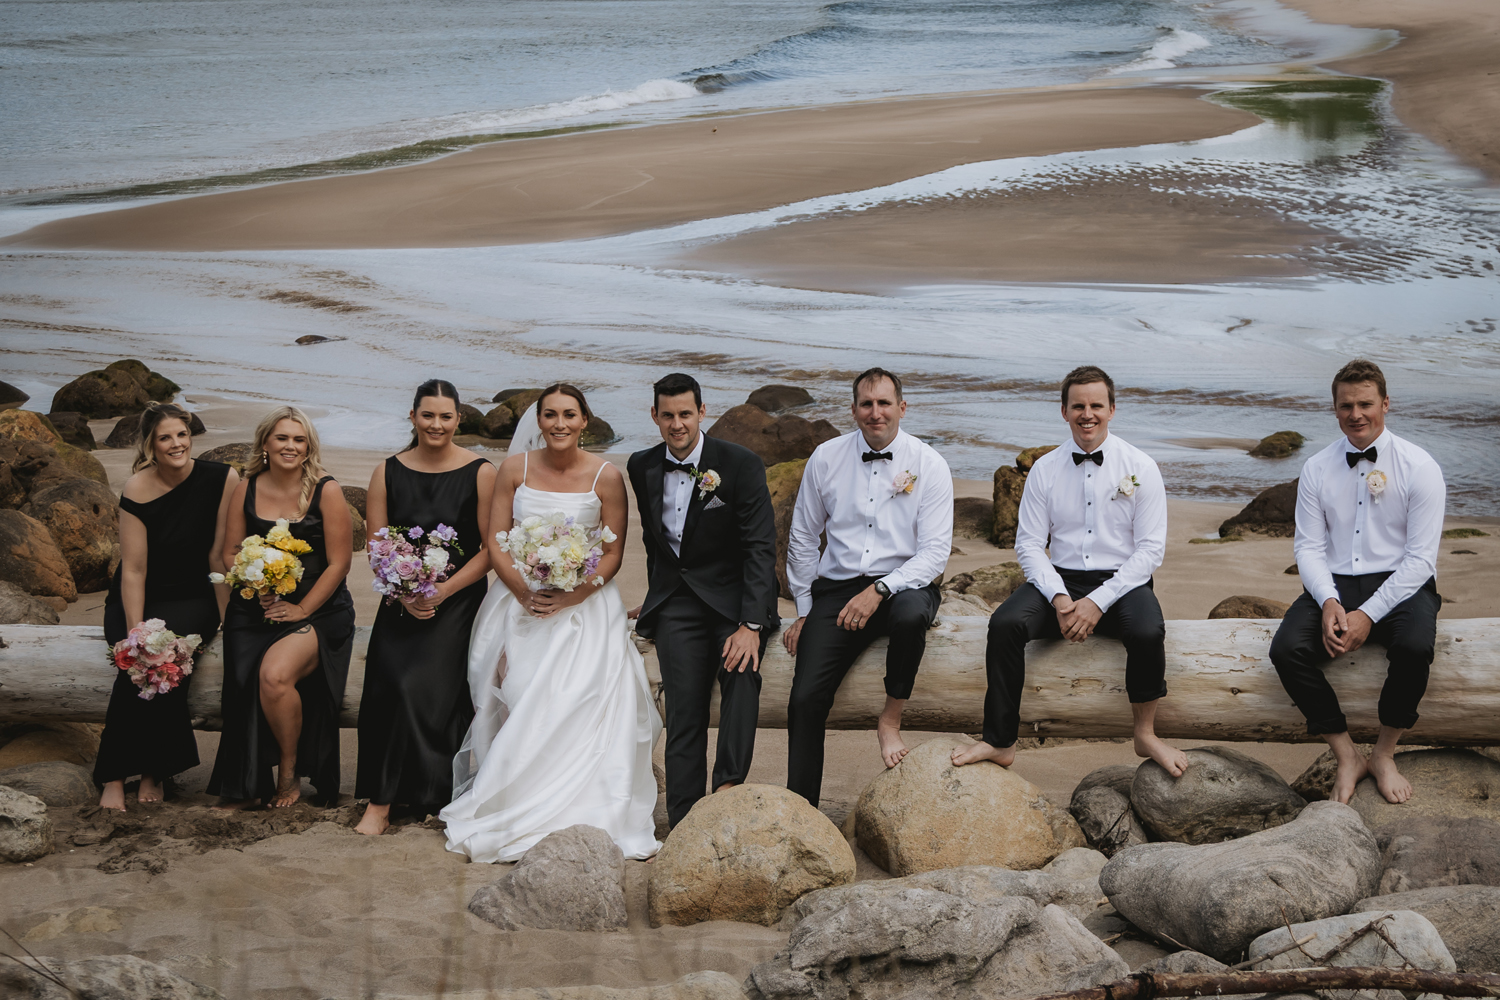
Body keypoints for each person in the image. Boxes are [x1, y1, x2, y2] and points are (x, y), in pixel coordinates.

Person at [440, 384, 661, 862]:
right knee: (516, 689)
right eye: (550, 415)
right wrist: (522, 591)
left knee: (577, 695)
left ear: (585, 421)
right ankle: (513, 799)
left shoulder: (606, 476)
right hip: (518, 600)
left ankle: (581, 803)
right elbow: (496, 540)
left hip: (584, 606)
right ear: (538, 421)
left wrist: (573, 594)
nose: (559, 424)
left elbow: (614, 551)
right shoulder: (513, 469)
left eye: (569, 415)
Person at [953, 365, 1186, 776]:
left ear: (1112, 409)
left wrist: (1096, 603)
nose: (1087, 414)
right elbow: (1028, 544)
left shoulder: (1141, 466)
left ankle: (1145, 733)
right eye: (1078, 406)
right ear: (1064, 411)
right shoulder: (1045, 469)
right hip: (1059, 579)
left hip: (1123, 582)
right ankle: (999, 740)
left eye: (1096, 405)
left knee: (1148, 631)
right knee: (1005, 624)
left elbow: (1149, 551)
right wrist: (1060, 597)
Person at [1270, 359, 1444, 805]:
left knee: (1414, 647)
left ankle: (1385, 752)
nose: (1356, 414)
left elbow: (1421, 560)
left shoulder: (1419, 466)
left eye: (1366, 403)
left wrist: (1367, 615)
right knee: (1286, 650)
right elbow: (1308, 548)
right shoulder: (1316, 468)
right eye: (1346, 405)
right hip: (1336, 581)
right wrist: (1328, 600)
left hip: (1402, 583)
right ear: (1334, 409)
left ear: (1386, 404)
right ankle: (1346, 753)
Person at [782, 368, 953, 807]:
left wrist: (879, 590)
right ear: (854, 409)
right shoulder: (826, 457)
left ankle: (890, 719)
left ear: (902, 407)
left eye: (884, 403)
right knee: (804, 699)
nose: (875, 413)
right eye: (866, 404)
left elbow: (934, 554)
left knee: (913, 614)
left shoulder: (929, 463)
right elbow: (803, 536)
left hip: (906, 583)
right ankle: (802, 809)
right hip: (837, 590)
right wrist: (803, 609)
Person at [626, 372, 778, 828]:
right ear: (655, 416)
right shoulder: (641, 466)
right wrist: (654, 598)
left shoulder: (740, 464)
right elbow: (658, 545)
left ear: (702, 412)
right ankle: (684, 822)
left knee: (741, 675)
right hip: (677, 603)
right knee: (683, 707)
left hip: (735, 602)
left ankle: (727, 789)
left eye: (685, 414)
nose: (677, 424)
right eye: (668, 415)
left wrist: (751, 625)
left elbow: (760, 548)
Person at [354, 380, 496, 836]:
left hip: (457, 601)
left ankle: (430, 793)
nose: (437, 424)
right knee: (388, 684)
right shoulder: (387, 472)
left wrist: (442, 591)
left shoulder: (480, 472)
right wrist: (403, 592)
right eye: (428, 415)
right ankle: (381, 798)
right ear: (413, 417)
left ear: (458, 420)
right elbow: (378, 547)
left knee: (424, 689)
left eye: (446, 416)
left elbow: (490, 550)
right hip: (399, 599)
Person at [208, 406, 356, 808]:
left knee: (274, 676)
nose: (290, 446)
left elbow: (340, 563)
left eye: (299, 439)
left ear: (308, 448)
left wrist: (303, 608)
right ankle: (247, 780)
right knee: (244, 680)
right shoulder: (247, 487)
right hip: (256, 606)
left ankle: (288, 773)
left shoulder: (326, 490)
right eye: (282, 438)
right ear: (265, 444)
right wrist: (258, 586)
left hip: (319, 609)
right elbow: (230, 552)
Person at [95, 404, 237, 810]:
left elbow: (217, 555)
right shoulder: (137, 488)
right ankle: (115, 776)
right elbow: (134, 570)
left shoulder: (223, 479)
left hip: (194, 596)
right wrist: (136, 630)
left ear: (191, 436)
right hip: (139, 592)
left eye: (181, 435)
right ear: (151, 446)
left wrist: (227, 617)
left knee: (170, 662)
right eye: (165, 438)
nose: (176, 444)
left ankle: (155, 772)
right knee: (136, 665)